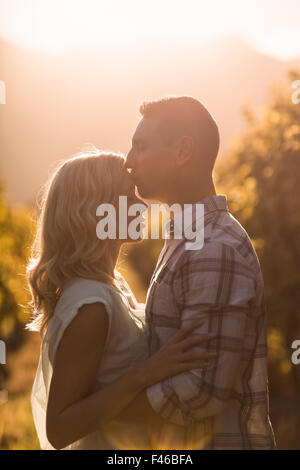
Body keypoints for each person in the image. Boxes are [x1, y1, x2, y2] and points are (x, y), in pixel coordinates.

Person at [27, 149, 216, 450]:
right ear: (98, 208)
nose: (142, 205)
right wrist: (147, 372)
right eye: (130, 195)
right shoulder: (91, 305)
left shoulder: (112, 285)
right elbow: (60, 428)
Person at [125, 96, 277, 450]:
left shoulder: (213, 248)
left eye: (140, 147)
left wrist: (97, 409)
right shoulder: (190, 238)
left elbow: (200, 391)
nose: (129, 162)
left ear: (182, 151)